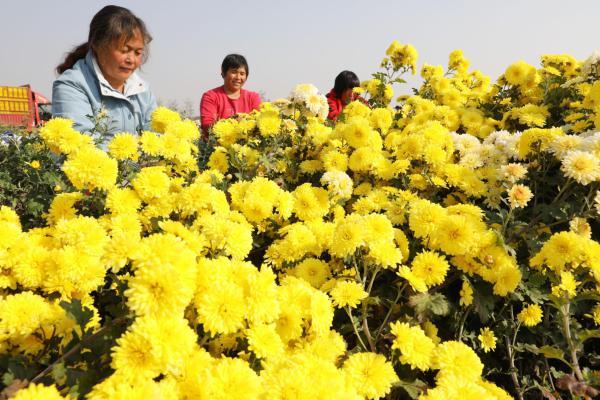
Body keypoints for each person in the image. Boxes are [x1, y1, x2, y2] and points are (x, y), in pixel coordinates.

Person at [52, 5, 156, 140]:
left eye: (138, 53)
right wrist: (135, 156)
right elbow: (80, 143)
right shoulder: (72, 85)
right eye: (124, 50)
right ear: (97, 44)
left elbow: (156, 136)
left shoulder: (142, 91)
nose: (131, 60)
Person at [200, 54, 261, 134]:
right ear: (223, 72)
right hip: (217, 145)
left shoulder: (253, 97)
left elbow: (259, 123)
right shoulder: (210, 96)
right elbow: (206, 125)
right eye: (234, 72)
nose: (238, 77)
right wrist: (232, 122)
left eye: (242, 74)